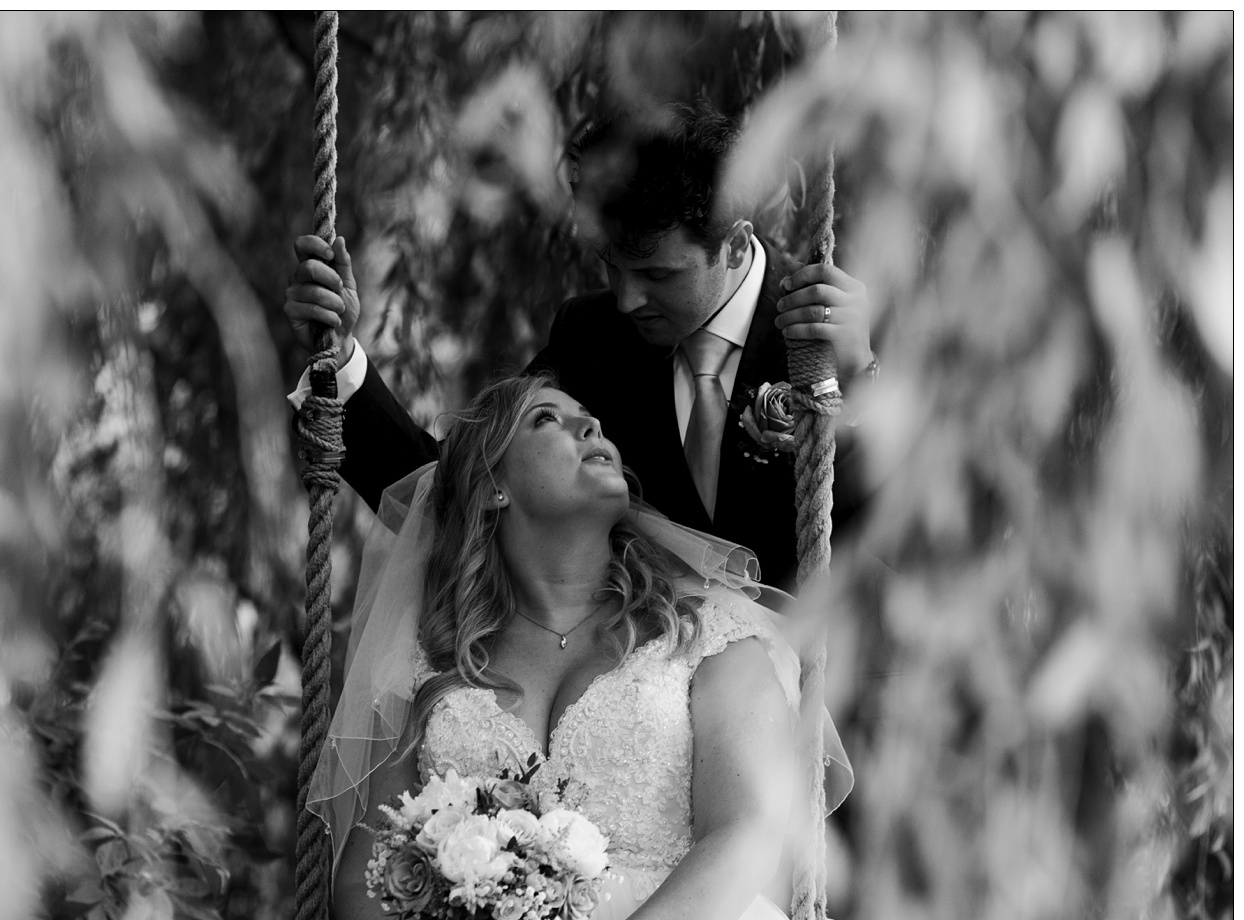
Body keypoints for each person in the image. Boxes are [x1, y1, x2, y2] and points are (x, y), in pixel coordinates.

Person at [284, 374, 851, 920]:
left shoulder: (710, 635)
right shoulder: (429, 664)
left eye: (591, 418)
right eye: (546, 420)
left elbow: (746, 834)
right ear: (493, 486)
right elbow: (370, 871)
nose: (593, 427)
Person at [285, 99, 875, 592]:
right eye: (609, 267)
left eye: (658, 276)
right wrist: (342, 362)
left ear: (736, 245)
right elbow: (462, 486)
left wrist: (859, 389)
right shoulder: (591, 336)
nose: (625, 300)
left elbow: (914, 550)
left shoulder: (839, 332)